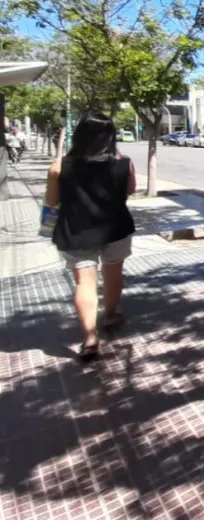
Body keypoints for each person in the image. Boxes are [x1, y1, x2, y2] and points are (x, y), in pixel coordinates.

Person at [48, 113, 137, 361]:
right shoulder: (125, 163)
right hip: (116, 227)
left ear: (79, 136)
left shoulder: (60, 166)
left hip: (77, 231)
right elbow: (130, 190)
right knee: (113, 271)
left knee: (84, 282)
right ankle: (110, 314)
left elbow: (51, 201)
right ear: (111, 137)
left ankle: (90, 338)